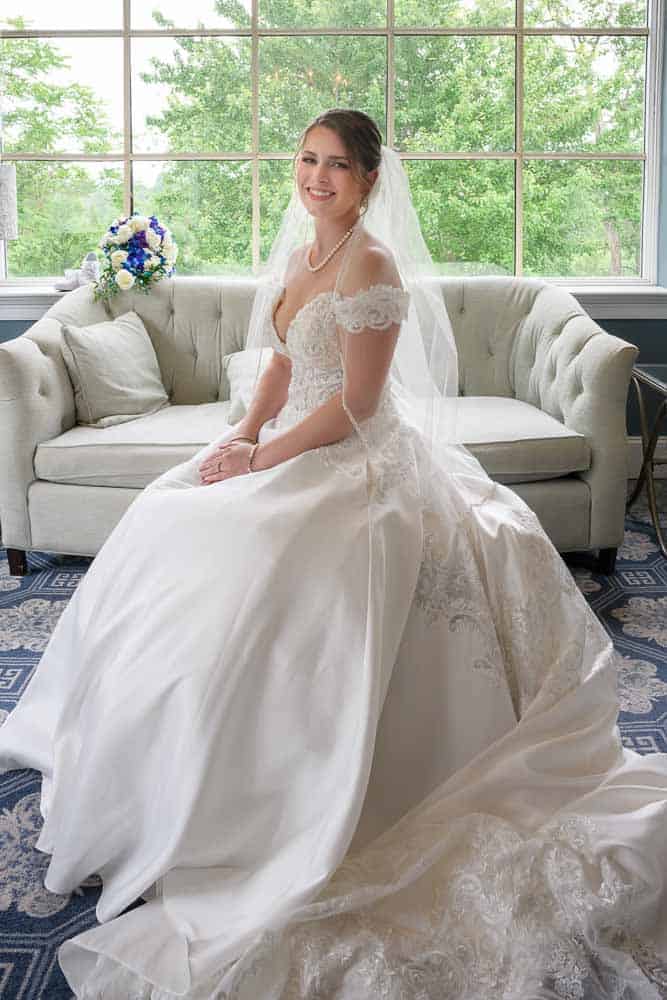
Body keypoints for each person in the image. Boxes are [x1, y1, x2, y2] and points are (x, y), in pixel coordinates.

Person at [1, 108, 667, 1000]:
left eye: (337, 167)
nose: (316, 178)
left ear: (368, 181)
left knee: (258, 549)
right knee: (169, 516)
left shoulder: (371, 266)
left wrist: (260, 457)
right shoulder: (301, 254)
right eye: (307, 160)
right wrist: (234, 436)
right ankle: (154, 767)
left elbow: (352, 405)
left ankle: (276, 795)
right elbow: (278, 369)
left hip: (352, 463)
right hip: (280, 439)